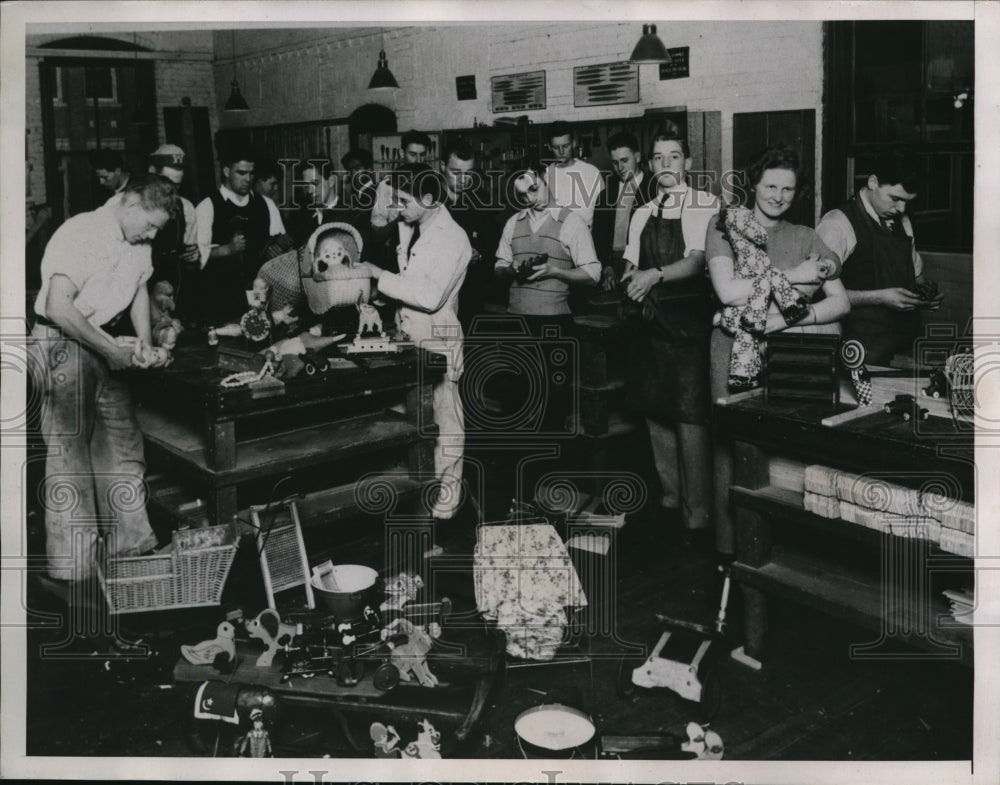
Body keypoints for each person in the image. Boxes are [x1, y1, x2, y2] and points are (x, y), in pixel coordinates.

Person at [29, 174, 176, 582]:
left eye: (156, 230)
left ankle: (130, 548)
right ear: (129, 206)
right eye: (149, 225)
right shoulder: (82, 232)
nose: (151, 234)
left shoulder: (139, 242)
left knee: (123, 446)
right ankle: (73, 570)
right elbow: (59, 307)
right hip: (61, 342)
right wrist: (112, 351)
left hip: (102, 341)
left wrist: (144, 343)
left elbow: (139, 291)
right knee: (70, 459)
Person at [707, 144, 849, 554]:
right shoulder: (725, 226)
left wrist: (784, 319)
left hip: (788, 350)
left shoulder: (806, 235)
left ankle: (777, 554)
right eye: (770, 185)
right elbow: (728, 291)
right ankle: (730, 551)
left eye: (788, 189)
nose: (778, 196)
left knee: (781, 447)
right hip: (733, 349)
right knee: (731, 448)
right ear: (753, 183)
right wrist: (798, 275)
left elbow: (840, 302)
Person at [619, 132, 720, 539]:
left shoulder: (706, 205)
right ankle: (669, 498)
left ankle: (698, 515)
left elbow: (697, 262)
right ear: (649, 165)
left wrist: (654, 274)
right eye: (658, 157)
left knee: (690, 416)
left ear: (688, 162)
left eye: (674, 157)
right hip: (651, 325)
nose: (666, 164)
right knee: (655, 409)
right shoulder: (642, 211)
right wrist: (628, 277)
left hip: (690, 326)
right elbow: (629, 259)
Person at [359, 164, 471, 523]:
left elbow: (429, 295)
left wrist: (379, 276)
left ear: (429, 199)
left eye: (403, 200)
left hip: (438, 335)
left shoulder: (451, 237)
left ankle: (447, 500)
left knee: (446, 422)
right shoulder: (415, 225)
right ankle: (417, 496)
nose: (397, 206)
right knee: (412, 421)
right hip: (411, 335)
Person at [493, 161, 601, 433]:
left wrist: (555, 271)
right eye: (523, 195)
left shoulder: (572, 221)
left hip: (554, 324)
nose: (531, 199)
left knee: (552, 405)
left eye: (534, 188)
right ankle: (517, 465)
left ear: (545, 179)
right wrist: (510, 270)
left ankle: (552, 468)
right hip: (516, 323)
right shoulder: (512, 222)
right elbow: (498, 267)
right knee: (513, 399)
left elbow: (593, 273)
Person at [815, 151, 941, 365]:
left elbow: (915, 275)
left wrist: (924, 293)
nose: (901, 208)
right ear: (873, 182)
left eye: (908, 202)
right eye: (895, 199)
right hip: (857, 351)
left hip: (901, 345)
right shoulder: (837, 224)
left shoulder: (902, 220)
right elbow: (817, 294)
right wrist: (879, 297)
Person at [195, 149, 286, 324]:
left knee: (261, 337)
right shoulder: (207, 206)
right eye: (241, 173)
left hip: (259, 296)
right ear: (227, 172)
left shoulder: (266, 205)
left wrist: (277, 251)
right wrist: (227, 249)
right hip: (221, 299)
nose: (248, 179)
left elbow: (280, 249)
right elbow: (196, 258)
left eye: (251, 173)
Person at [441, 141, 503, 329]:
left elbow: (494, 243)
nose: (463, 179)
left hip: (470, 288)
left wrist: (480, 254)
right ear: (443, 167)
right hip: (436, 288)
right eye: (456, 172)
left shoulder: (481, 200)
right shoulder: (429, 199)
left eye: (468, 173)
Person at [593, 131, 655, 290]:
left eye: (624, 160)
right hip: (611, 262)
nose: (620, 167)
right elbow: (598, 236)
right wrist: (606, 267)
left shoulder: (654, 190)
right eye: (615, 162)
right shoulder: (605, 193)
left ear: (638, 157)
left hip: (644, 264)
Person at [544, 121, 603, 229]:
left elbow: (601, 213)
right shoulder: (545, 176)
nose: (561, 151)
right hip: (556, 240)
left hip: (586, 238)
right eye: (556, 147)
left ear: (574, 143)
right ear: (549, 147)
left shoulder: (591, 172)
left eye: (565, 146)